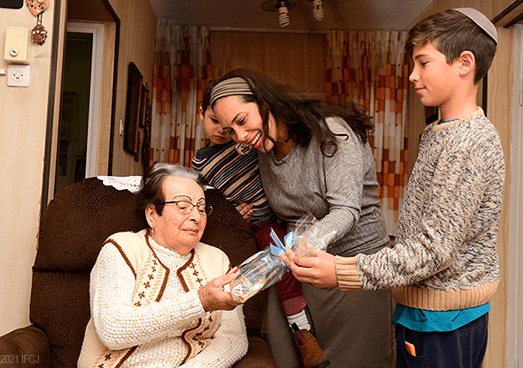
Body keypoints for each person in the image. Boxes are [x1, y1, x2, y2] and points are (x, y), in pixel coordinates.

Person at [279, 8, 504, 368]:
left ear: (464, 63)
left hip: (443, 323)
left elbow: (434, 251)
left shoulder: (466, 143)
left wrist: (342, 271)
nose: (413, 75)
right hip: (425, 314)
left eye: (423, 62)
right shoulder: (438, 133)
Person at [208, 69, 394, 367]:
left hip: (354, 270)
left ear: (266, 102)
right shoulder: (263, 150)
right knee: (284, 353)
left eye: (242, 121)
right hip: (304, 271)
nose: (241, 138)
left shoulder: (332, 132)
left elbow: (346, 211)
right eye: (231, 130)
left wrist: (299, 248)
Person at [192, 78, 329, 368]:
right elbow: (206, 203)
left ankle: (303, 334)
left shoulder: (249, 144)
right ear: (199, 112)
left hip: (274, 222)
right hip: (241, 227)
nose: (223, 131)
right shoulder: (200, 162)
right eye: (215, 122)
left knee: (284, 269)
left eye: (229, 125)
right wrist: (229, 213)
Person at [78, 163, 248, 368]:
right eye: (183, 206)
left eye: (201, 208)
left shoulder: (218, 260)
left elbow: (233, 339)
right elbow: (113, 329)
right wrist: (201, 301)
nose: (196, 217)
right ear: (152, 215)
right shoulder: (121, 248)